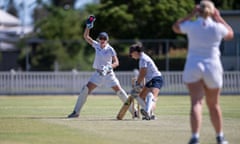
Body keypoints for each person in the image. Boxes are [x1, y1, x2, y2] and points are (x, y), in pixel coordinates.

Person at [172, 0, 234, 144]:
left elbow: (175, 27)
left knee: (196, 103)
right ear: (212, 11)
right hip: (213, 66)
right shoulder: (217, 27)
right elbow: (230, 34)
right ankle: (220, 137)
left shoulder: (192, 25)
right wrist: (218, 17)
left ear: (198, 11)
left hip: (193, 65)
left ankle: (195, 137)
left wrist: (190, 14)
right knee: (214, 105)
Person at [68, 16, 137, 118]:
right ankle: (76, 112)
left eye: (104, 39)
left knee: (121, 92)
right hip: (98, 74)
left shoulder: (110, 49)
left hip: (109, 74)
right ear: (98, 39)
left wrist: (109, 67)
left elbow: (116, 62)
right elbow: (86, 37)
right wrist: (88, 26)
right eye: (101, 38)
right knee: (85, 90)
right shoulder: (96, 45)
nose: (102, 40)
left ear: (107, 40)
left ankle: (134, 112)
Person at [129, 43, 164, 120]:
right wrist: (140, 84)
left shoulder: (143, 59)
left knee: (152, 98)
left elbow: (143, 73)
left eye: (131, 55)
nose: (132, 57)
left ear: (135, 52)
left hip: (156, 78)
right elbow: (143, 74)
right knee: (141, 96)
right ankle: (150, 114)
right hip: (150, 80)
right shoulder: (142, 58)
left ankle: (147, 112)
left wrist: (137, 83)